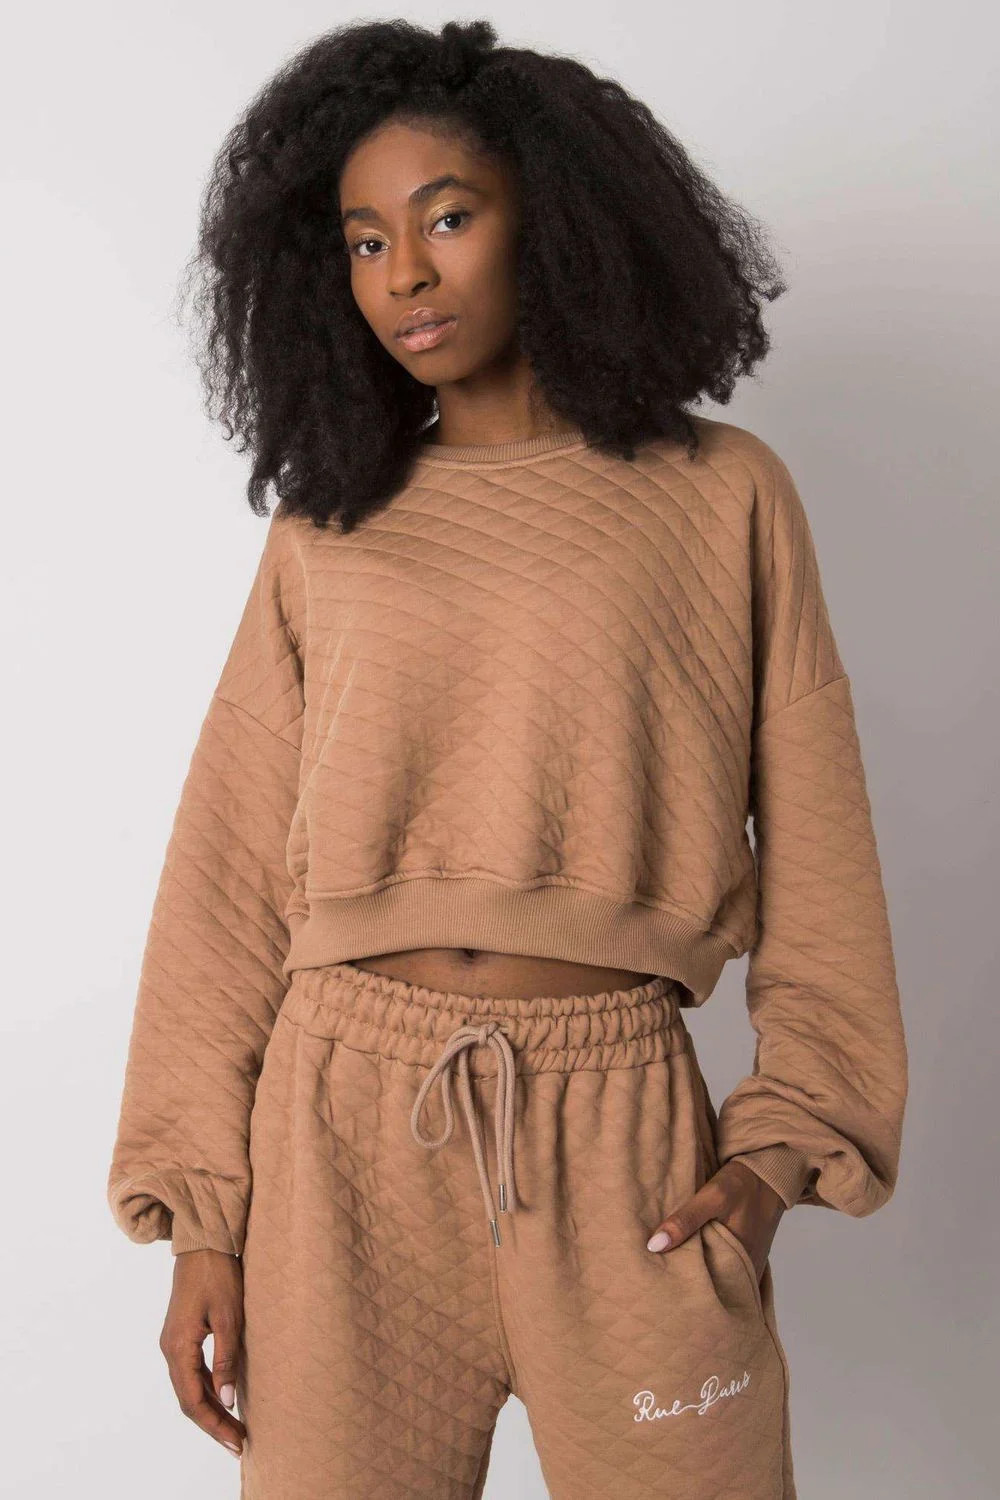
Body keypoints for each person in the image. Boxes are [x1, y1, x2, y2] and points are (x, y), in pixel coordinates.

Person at [106, 18, 909, 1499]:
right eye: (364, 242)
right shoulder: (329, 526)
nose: (403, 277)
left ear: (557, 214)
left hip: (628, 1143)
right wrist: (202, 1216)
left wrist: (777, 1157)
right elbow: (226, 871)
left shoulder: (723, 495)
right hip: (341, 1132)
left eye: (447, 219)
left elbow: (820, 847)